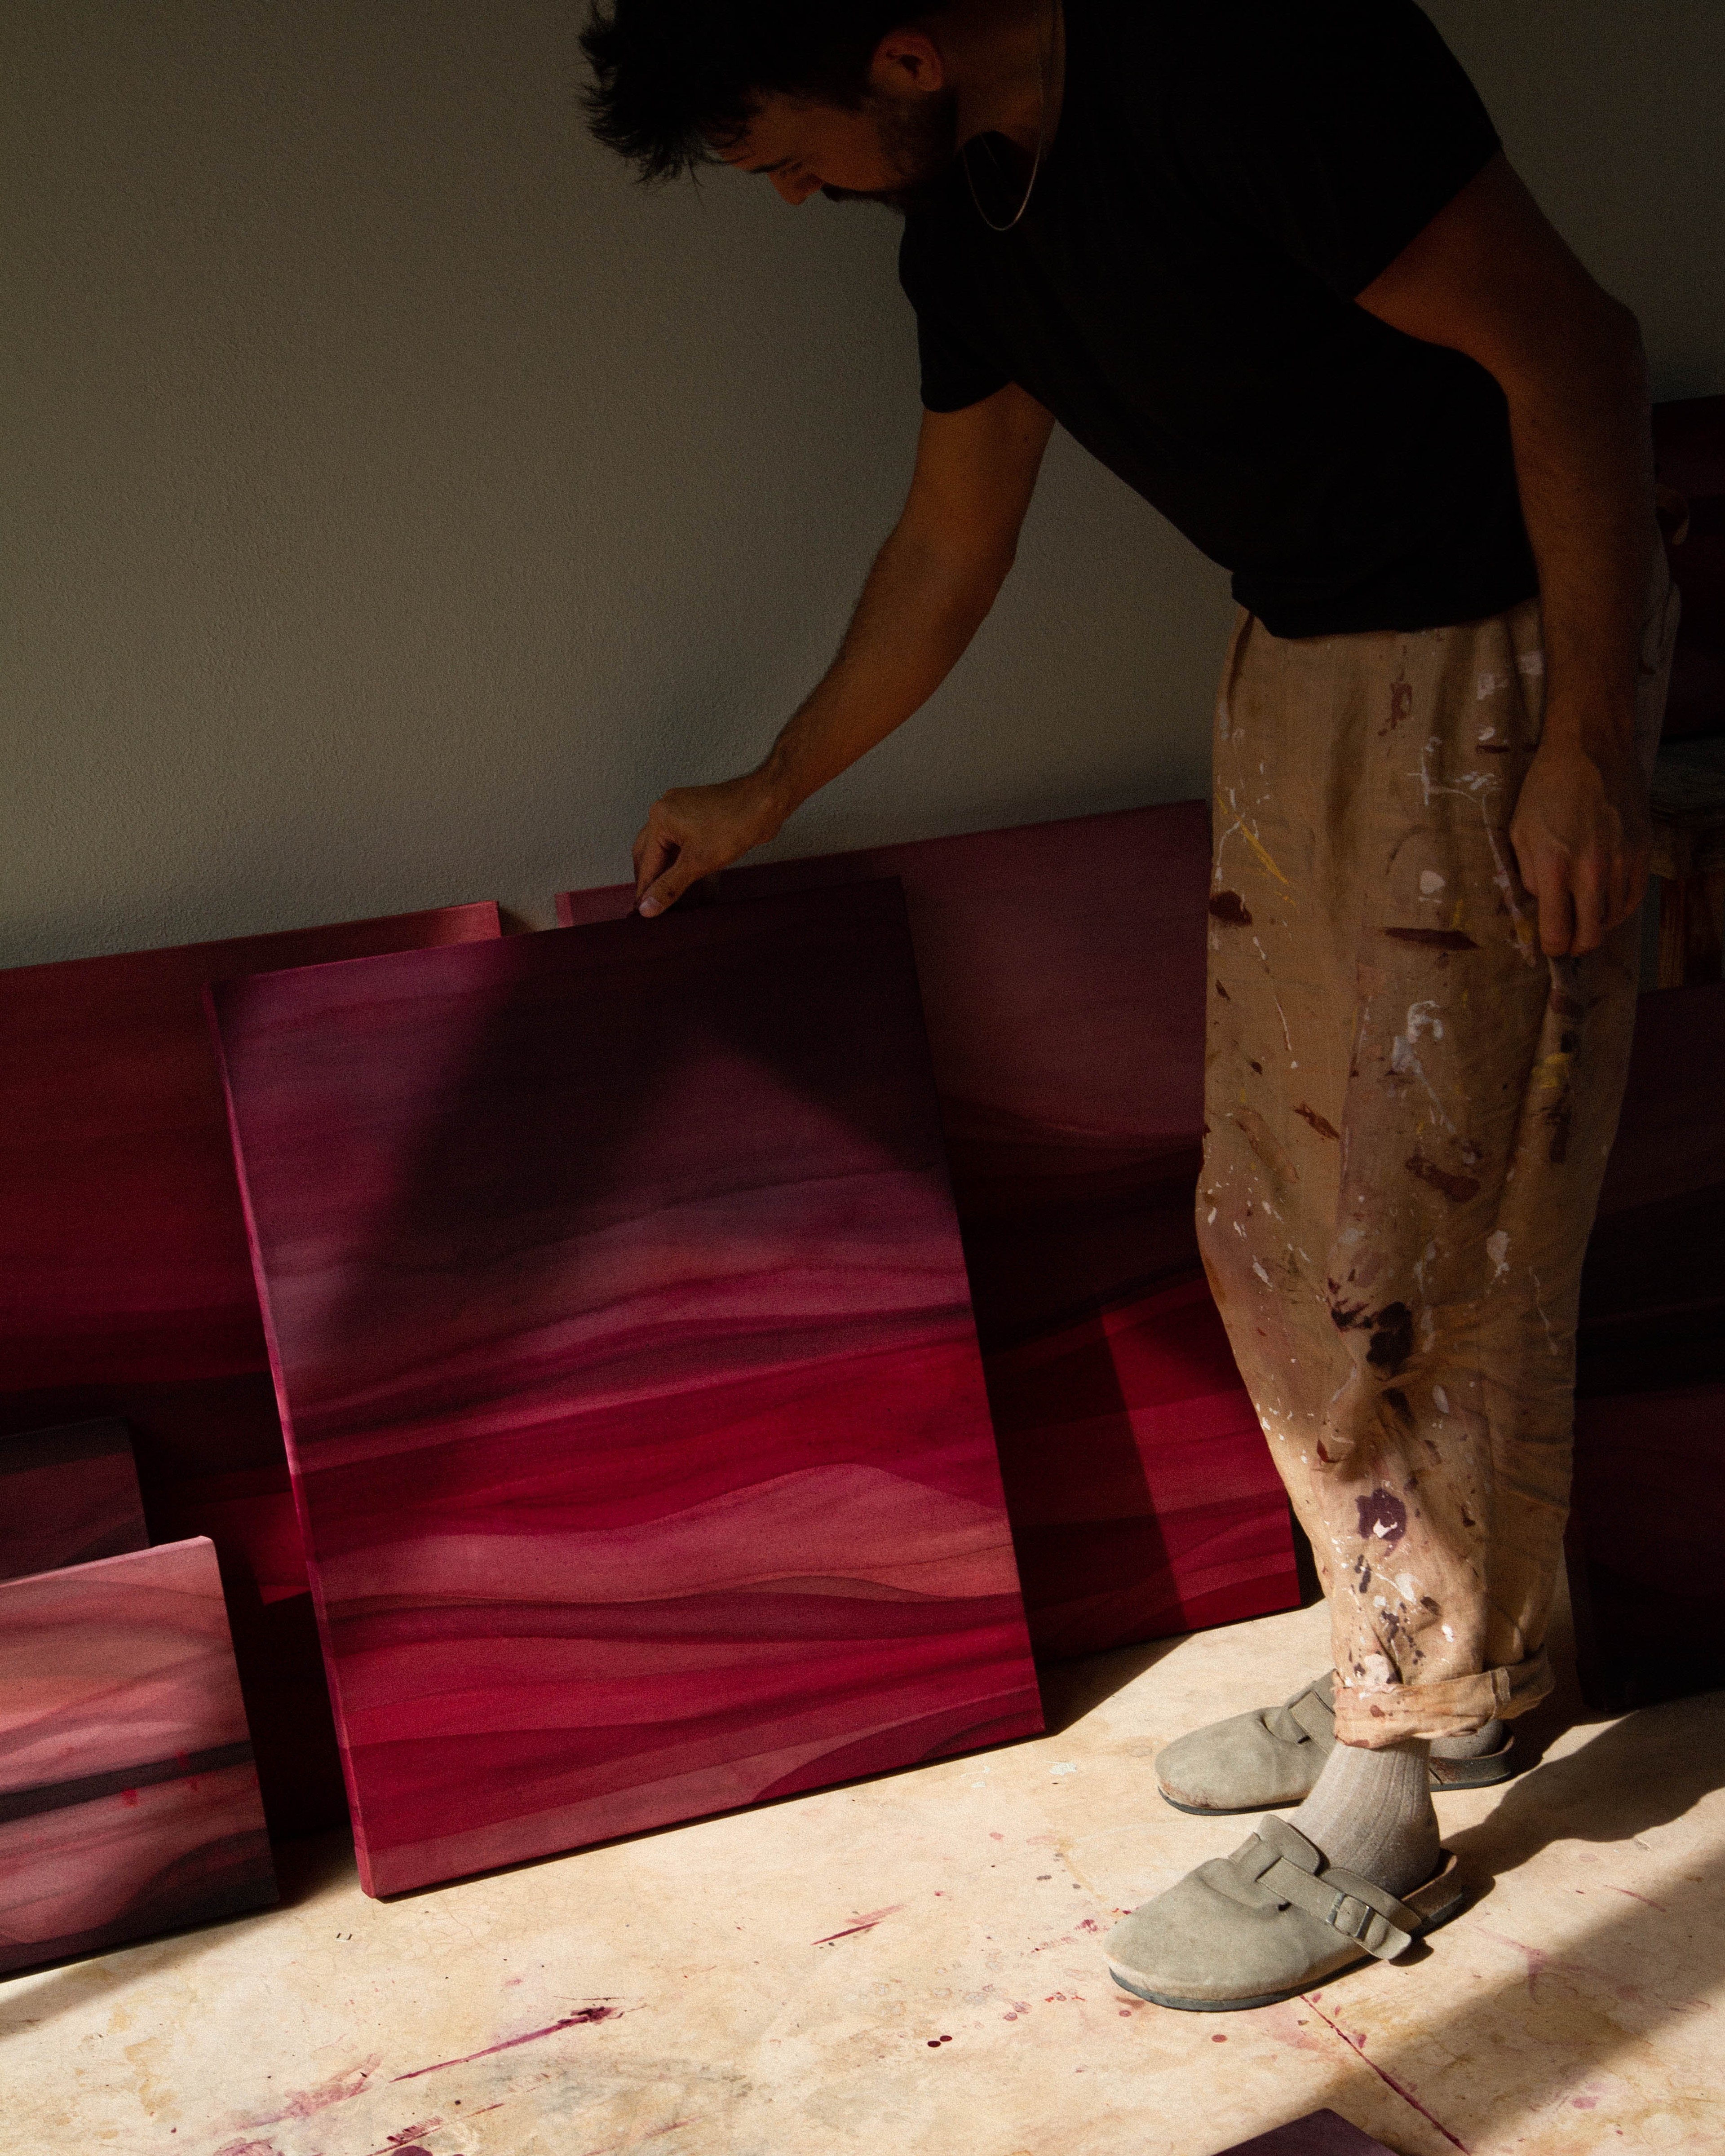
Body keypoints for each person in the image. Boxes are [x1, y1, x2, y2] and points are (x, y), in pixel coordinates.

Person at [580, 0, 1676, 2011]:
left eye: (785, 151)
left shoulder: (1254, 65)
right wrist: (770, 784)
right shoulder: (969, 224)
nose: (795, 196)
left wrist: (1591, 743)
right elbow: (949, 543)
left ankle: (1387, 1789)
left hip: (1504, 660)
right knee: (1267, 1221)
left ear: (900, 49)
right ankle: (1429, 1656)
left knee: (1425, 1238)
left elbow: (1578, 356)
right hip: (1300, 660)